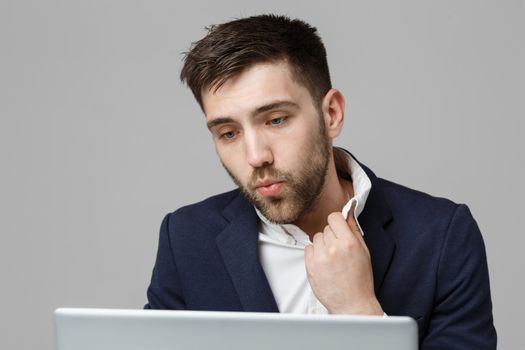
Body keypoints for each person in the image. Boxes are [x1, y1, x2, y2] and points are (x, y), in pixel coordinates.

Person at [145, 14, 497, 348]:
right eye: (228, 133)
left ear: (331, 114)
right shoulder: (186, 239)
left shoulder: (441, 237)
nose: (256, 156)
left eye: (276, 120)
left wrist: (360, 313)